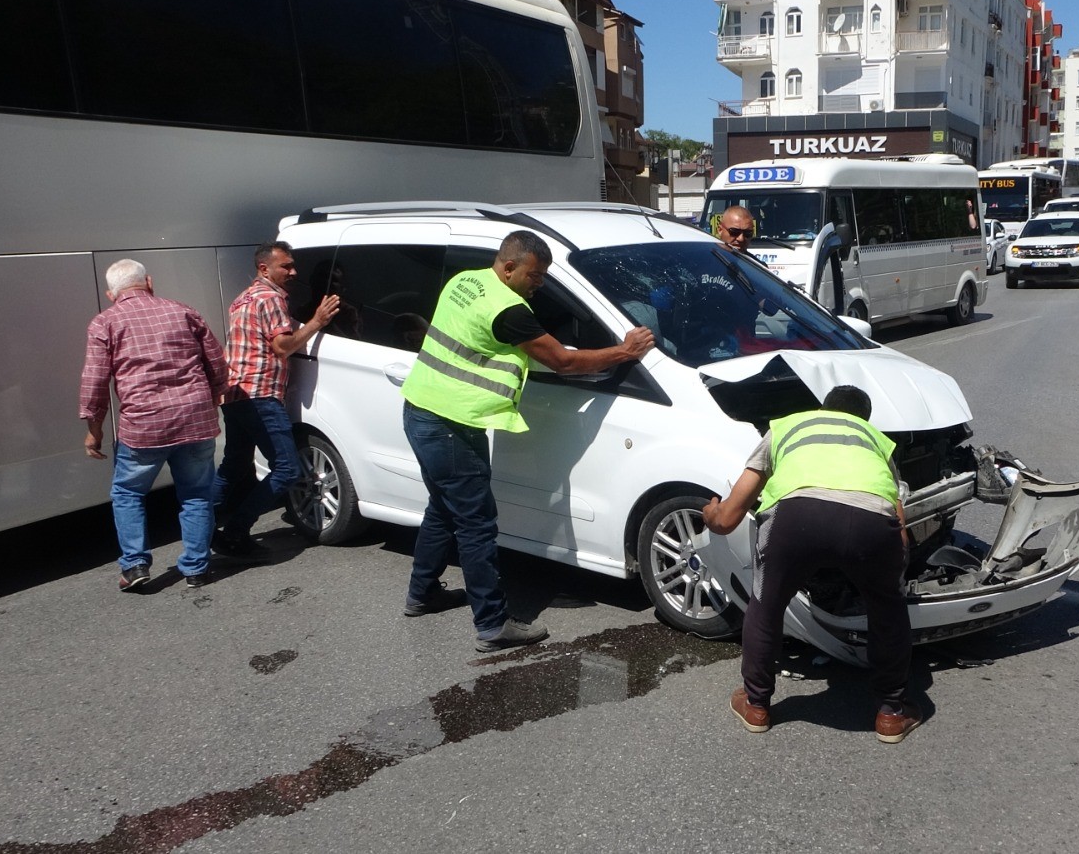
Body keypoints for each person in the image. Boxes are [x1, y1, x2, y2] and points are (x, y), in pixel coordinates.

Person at [399, 230, 655, 652]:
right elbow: (564, 361)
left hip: (421, 409)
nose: (539, 285)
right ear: (509, 266)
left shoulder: (465, 280)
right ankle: (492, 625)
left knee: (443, 509)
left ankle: (421, 594)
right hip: (451, 424)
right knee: (477, 525)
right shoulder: (508, 310)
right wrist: (624, 353)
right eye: (535, 277)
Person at [702, 385, 923, 744]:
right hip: (870, 524)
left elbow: (728, 518)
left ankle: (756, 705)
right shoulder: (876, 441)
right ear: (862, 419)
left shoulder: (789, 426)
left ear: (824, 408)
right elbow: (898, 531)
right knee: (889, 610)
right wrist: (885, 573)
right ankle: (891, 714)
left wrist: (711, 513)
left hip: (794, 520)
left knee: (767, 603)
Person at [79, 260, 228, 590]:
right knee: (197, 495)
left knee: (128, 492)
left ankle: (134, 566)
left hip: (144, 426)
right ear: (148, 281)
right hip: (195, 420)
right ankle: (197, 568)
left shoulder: (105, 323)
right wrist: (217, 392)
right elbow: (216, 360)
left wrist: (95, 429)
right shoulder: (182, 311)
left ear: (110, 293)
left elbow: (95, 381)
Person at [213, 242, 339, 557]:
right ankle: (235, 531)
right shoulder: (270, 299)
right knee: (287, 468)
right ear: (264, 268)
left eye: (293, 265)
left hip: (235, 393)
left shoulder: (243, 297)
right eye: (286, 266)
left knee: (234, 464)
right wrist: (317, 322)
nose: (293, 272)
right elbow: (283, 347)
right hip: (259, 394)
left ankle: (198, 523)